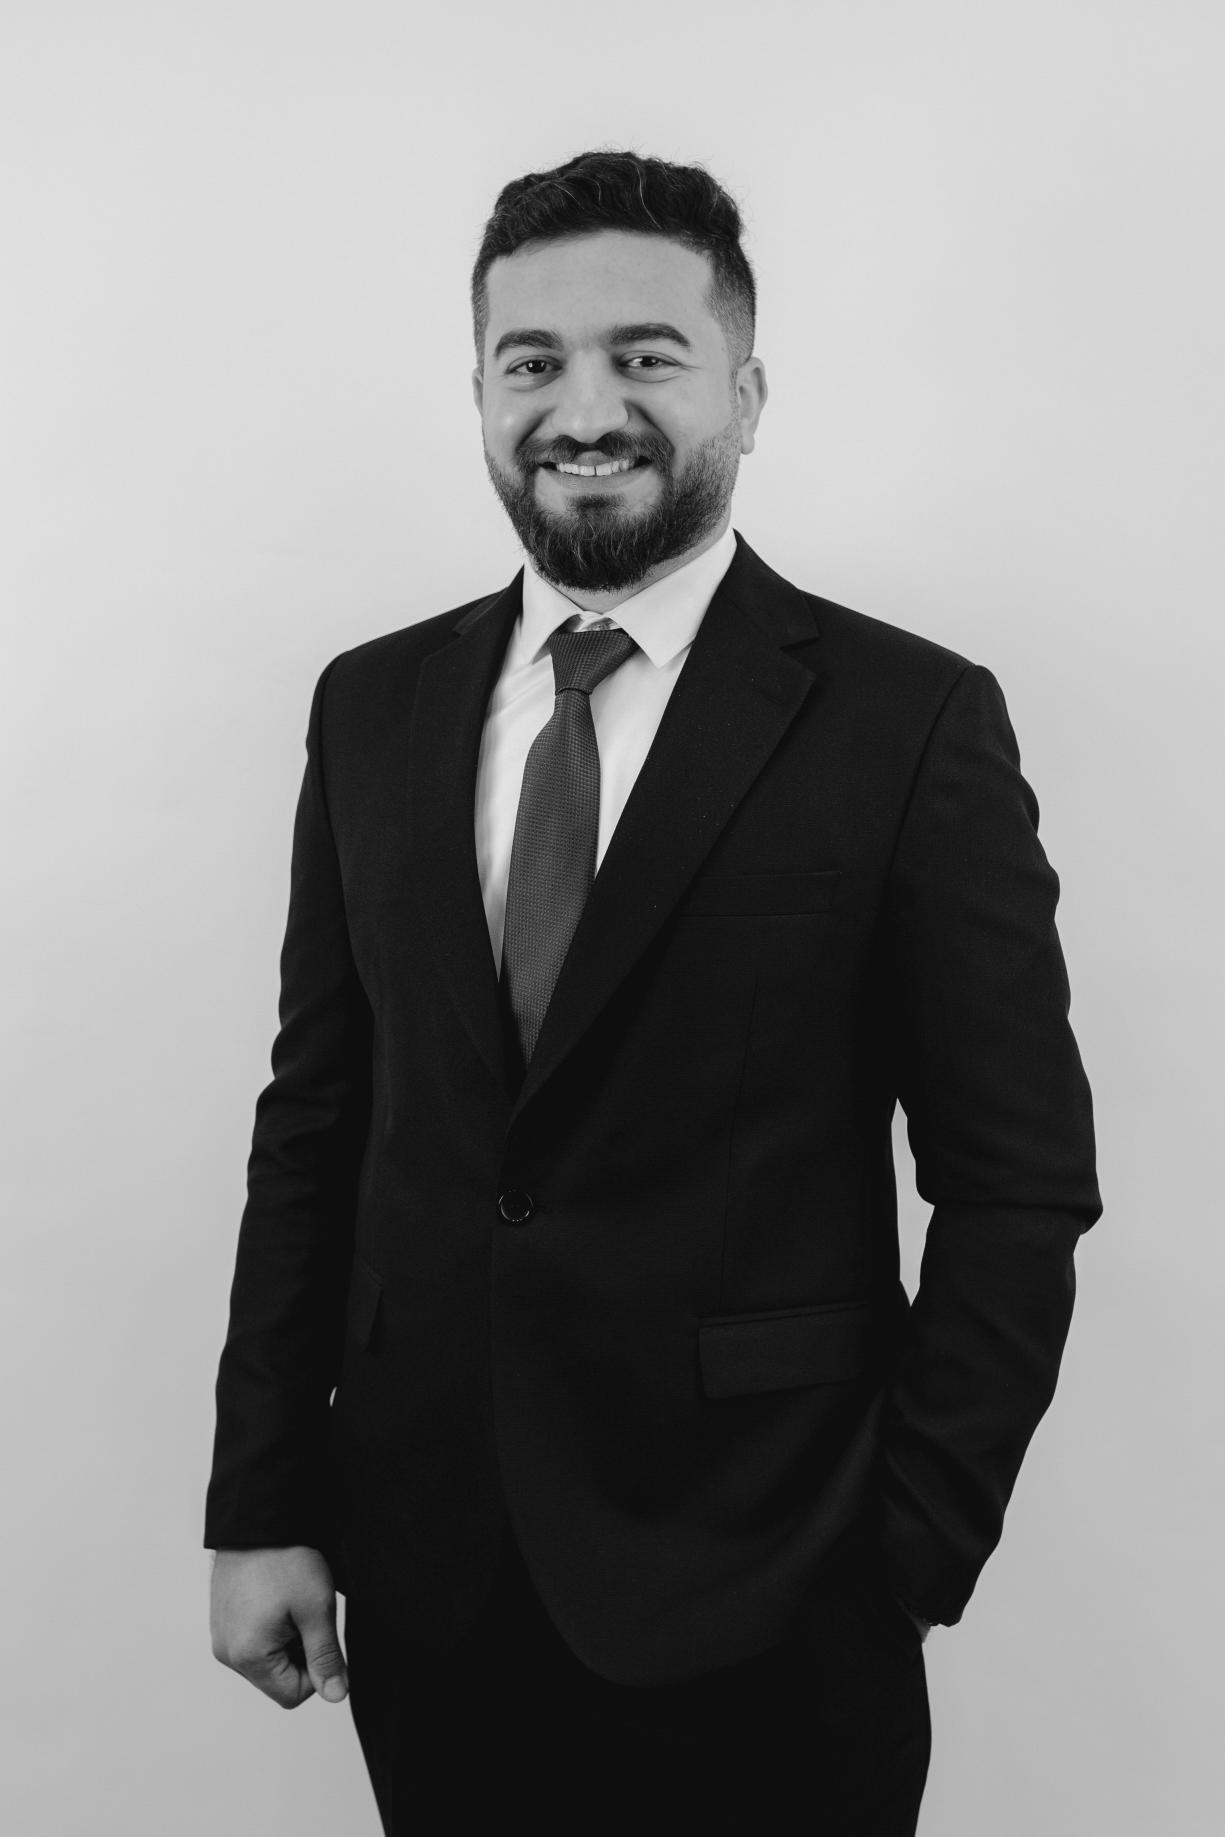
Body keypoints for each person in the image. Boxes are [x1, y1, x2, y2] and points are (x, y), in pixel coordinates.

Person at [206, 150, 1101, 1835]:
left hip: (775, 1590)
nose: (583, 409)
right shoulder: (372, 707)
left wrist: (905, 1548)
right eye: (531, 361)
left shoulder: (905, 721)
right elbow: (315, 1117)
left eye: (644, 355)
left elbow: (1019, 1177)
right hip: (432, 1581)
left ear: (744, 395)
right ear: (481, 393)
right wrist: (261, 1496)